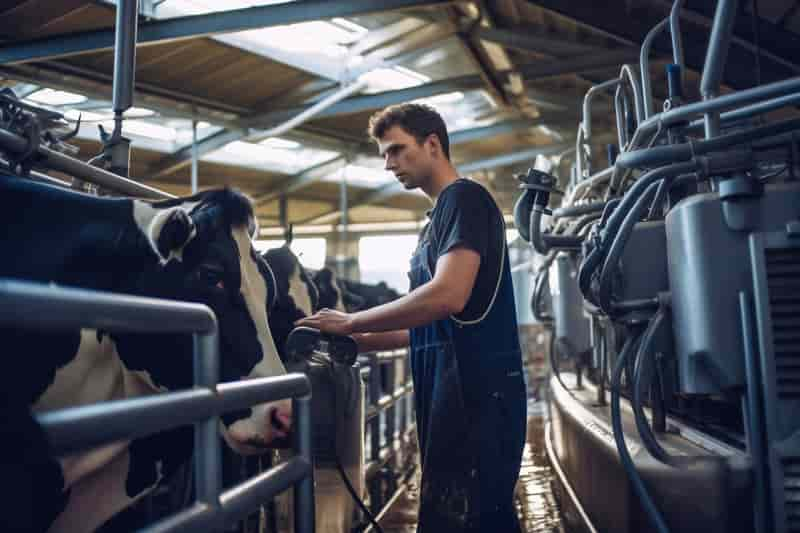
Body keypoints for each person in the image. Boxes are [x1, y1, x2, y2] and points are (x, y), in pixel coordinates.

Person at [296, 103, 527, 532]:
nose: (388, 164)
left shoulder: (465, 200)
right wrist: (353, 341)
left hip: (478, 398)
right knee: (450, 515)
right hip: (447, 395)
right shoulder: (434, 222)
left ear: (433, 143)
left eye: (397, 150)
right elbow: (420, 325)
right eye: (384, 154)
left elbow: (448, 295)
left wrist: (352, 321)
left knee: (471, 518)